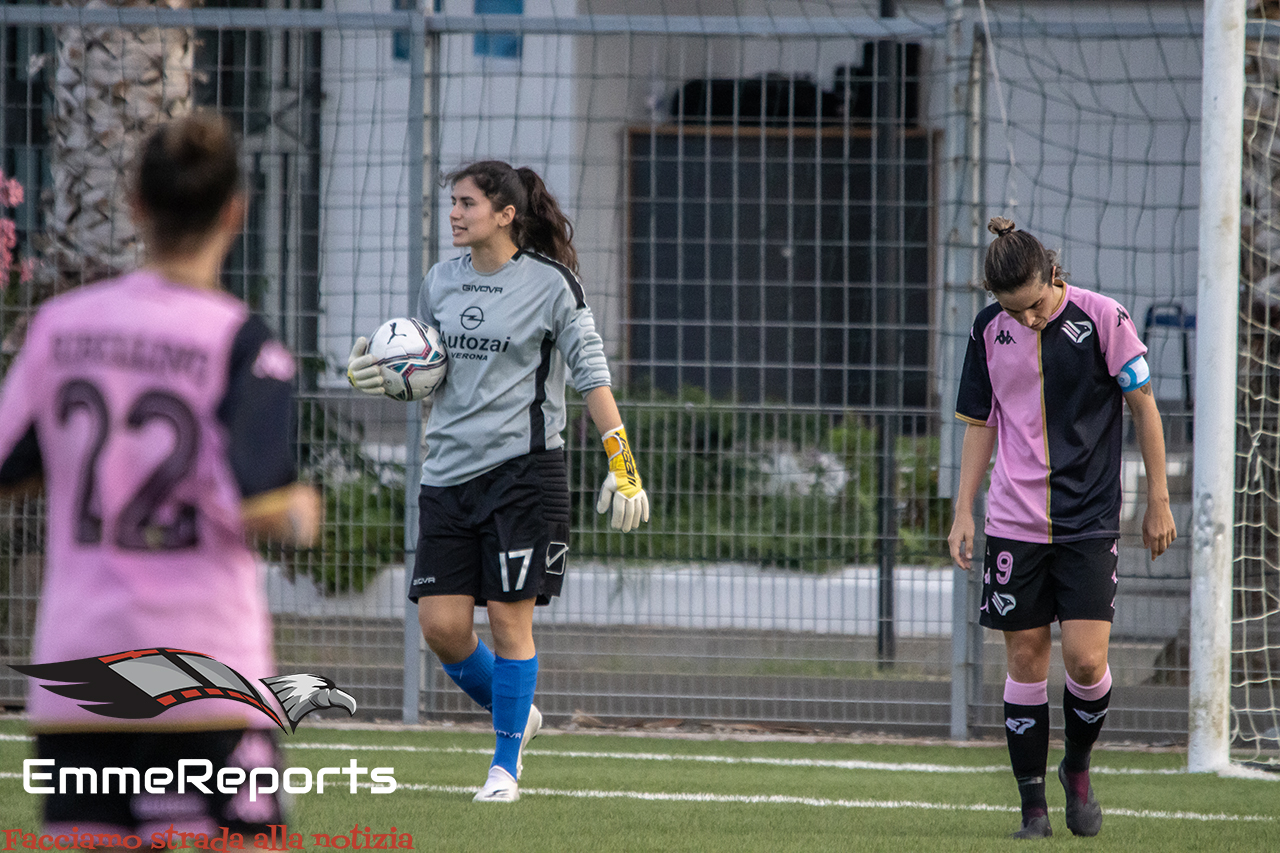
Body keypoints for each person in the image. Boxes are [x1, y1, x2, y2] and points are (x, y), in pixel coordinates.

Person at [0, 113, 321, 841]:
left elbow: (13, 460)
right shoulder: (242, 342)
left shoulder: (61, 327)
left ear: (136, 204)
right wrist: (302, 510)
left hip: (80, 677)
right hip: (202, 671)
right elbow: (261, 501)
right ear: (236, 212)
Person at [347, 160, 649, 803]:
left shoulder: (552, 284)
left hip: (523, 475)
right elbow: (427, 371)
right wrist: (381, 374)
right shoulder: (439, 281)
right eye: (452, 203)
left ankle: (504, 768)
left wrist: (623, 468)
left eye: (467, 204)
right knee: (443, 628)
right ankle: (521, 712)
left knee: (512, 625)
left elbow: (592, 374)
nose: (454, 214)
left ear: (506, 214)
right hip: (447, 474)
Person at [948, 217, 1177, 839]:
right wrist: (963, 509)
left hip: (1089, 520)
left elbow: (1145, 407)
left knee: (1083, 661)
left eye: (1032, 306)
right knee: (1025, 657)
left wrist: (1158, 498)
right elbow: (980, 422)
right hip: (1014, 522)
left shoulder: (1104, 318)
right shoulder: (987, 330)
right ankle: (1032, 810)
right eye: (1011, 311)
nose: (1025, 320)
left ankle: (1076, 767)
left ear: (1052, 276)